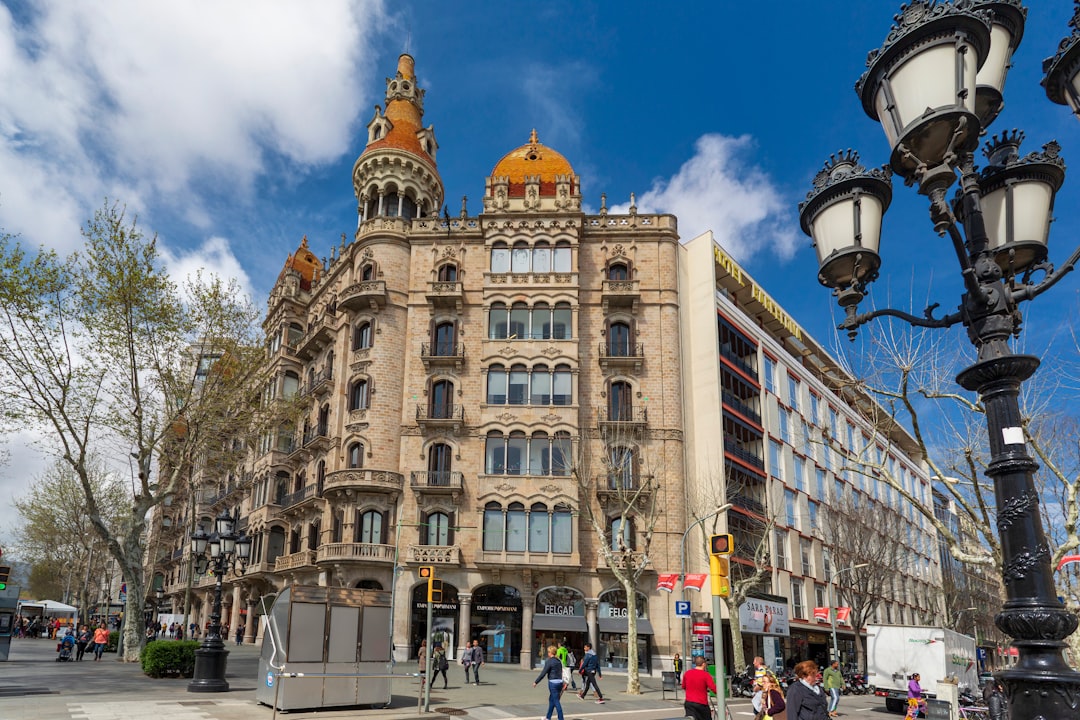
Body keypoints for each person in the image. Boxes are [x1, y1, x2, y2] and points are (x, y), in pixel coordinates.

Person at [533, 644, 566, 720]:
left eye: (548, 652)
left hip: (553, 683)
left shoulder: (549, 661)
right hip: (559, 682)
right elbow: (561, 672)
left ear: (551, 653)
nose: (547, 653)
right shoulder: (558, 661)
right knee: (552, 699)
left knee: (556, 701)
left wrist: (536, 682)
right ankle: (548, 717)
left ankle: (561, 718)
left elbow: (543, 673)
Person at [682, 654, 717, 720]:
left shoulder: (687, 673)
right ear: (703, 664)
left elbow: (684, 686)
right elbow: (713, 688)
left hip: (689, 703)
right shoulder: (706, 675)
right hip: (701, 703)